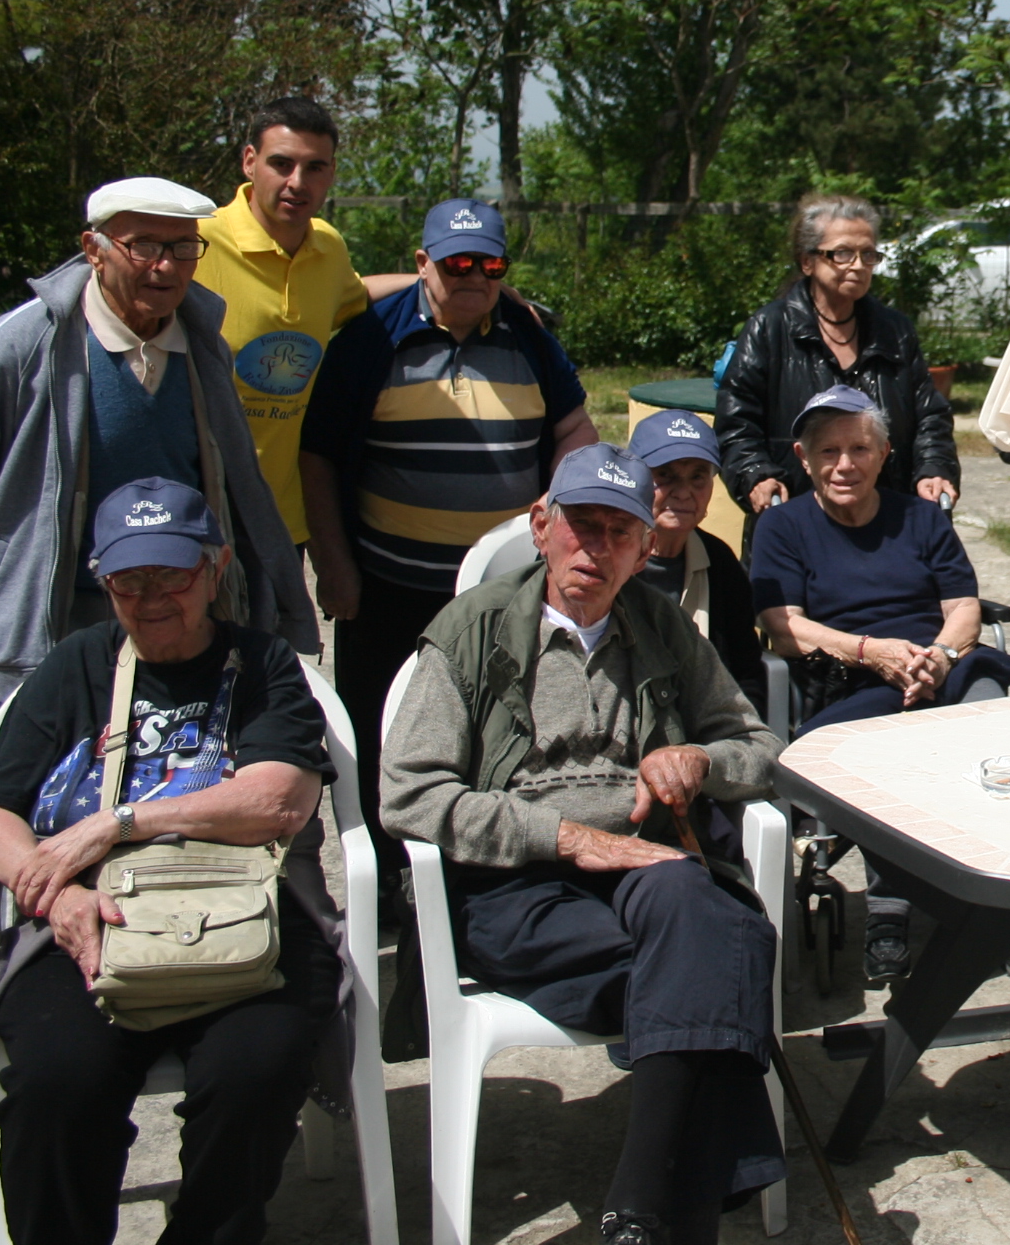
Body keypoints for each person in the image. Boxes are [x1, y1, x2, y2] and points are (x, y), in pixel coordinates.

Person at [380, 445, 785, 1245]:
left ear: (644, 548)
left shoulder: (662, 627)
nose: (595, 549)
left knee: (692, 902)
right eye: (581, 525)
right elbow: (410, 795)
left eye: (618, 532)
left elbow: (762, 750)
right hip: (515, 883)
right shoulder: (472, 631)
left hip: (644, 871)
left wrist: (700, 760)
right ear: (542, 525)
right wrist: (564, 837)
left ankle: (634, 1210)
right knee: (717, 958)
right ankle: (674, 1219)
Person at [0, 478, 338, 1245]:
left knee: (255, 1073)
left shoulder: (261, 663)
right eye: (128, 581)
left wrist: (117, 822)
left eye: (172, 576)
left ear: (216, 567)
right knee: (55, 1085)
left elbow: (277, 803)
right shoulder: (77, 664)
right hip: (92, 920)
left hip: (239, 916)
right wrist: (55, 894)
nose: (150, 598)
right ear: (102, 580)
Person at [0, 177, 317, 703]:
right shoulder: (25, 346)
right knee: (55, 754)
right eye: (143, 246)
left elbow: (235, 490)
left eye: (183, 248)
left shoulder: (203, 347)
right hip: (64, 621)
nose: (166, 266)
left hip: (182, 619)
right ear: (94, 250)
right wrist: (6, 592)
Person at [300, 197, 597, 885]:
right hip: (390, 590)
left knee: (499, 736)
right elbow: (317, 456)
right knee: (385, 740)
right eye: (458, 262)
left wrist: (559, 510)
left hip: (504, 596)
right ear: (423, 263)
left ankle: (482, 884)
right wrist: (333, 564)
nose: (474, 276)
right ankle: (389, 887)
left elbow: (574, 427)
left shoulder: (529, 338)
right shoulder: (369, 339)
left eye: (490, 265)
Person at [750, 386, 1010, 979]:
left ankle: (1004, 891)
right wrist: (871, 652)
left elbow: (964, 607)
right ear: (803, 458)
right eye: (828, 451)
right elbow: (783, 627)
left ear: (883, 453)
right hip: (849, 678)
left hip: (940, 666)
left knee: (991, 725)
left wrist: (940, 657)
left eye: (859, 449)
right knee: (887, 751)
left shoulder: (921, 519)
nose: (844, 465)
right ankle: (889, 910)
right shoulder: (783, 527)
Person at [193, 96, 412, 547]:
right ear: (249, 162)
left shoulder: (327, 248)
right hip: (202, 513)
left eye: (314, 168)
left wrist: (447, 278)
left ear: (331, 173)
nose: (297, 182)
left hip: (282, 517)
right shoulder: (196, 242)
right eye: (281, 164)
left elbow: (355, 294)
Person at [717, 194, 959, 517]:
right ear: (807, 261)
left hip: (889, 518)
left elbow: (931, 416)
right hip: (797, 517)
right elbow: (736, 423)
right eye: (842, 253)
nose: (858, 266)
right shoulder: (769, 329)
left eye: (868, 254)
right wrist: (756, 474)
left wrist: (933, 468)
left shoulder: (895, 332)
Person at [629, 410, 765, 715]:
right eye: (665, 475)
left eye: (698, 477)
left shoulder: (720, 563)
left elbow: (746, 672)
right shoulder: (604, 556)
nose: (684, 492)